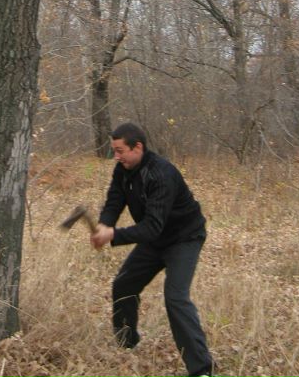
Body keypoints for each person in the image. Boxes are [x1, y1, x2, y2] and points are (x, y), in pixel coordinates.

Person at [91, 122, 216, 377]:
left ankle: (202, 369)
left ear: (138, 147)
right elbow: (115, 199)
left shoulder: (162, 174)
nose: (116, 156)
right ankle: (127, 345)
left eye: (120, 150)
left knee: (176, 298)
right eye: (114, 150)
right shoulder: (123, 169)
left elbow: (151, 228)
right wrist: (105, 223)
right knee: (124, 285)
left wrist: (112, 235)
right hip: (155, 239)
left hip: (184, 238)